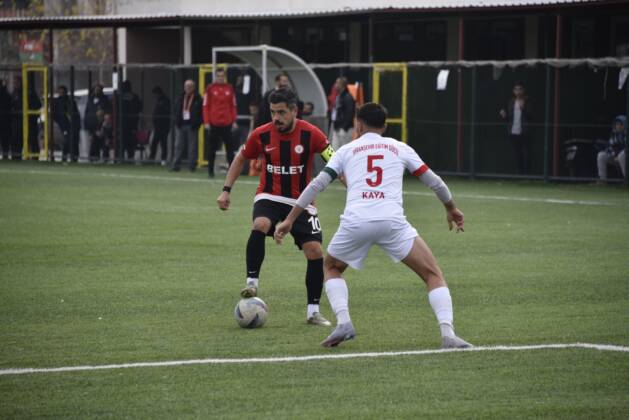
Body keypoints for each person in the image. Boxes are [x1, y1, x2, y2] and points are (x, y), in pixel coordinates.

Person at [274, 102, 472, 349]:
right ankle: (448, 334)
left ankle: (344, 322)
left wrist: (290, 219)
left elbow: (316, 185)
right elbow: (435, 182)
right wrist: (451, 208)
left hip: (356, 222)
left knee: (331, 267)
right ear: (385, 125)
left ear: (358, 124)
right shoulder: (400, 148)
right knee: (432, 274)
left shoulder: (346, 150)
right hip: (392, 222)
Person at [216, 88, 336, 326]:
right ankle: (252, 282)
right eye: (272, 112)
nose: (276, 118)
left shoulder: (312, 134)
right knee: (260, 224)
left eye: (281, 112)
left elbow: (334, 159)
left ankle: (313, 311)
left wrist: (350, 183)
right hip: (269, 195)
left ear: (294, 111)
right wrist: (226, 190)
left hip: (302, 201)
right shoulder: (260, 134)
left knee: (315, 252)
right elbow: (241, 158)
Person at [203, 68, 238, 178]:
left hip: (227, 123)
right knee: (212, 149)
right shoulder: (210, 88)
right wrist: (207, 121)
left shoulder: (230, 88)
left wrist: (234, 121)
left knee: (230, 150)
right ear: (215, 77)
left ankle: (231, 173)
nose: (220, 78)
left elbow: (233, 105)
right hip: (214, 123)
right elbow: (205, 106)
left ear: (225, 76)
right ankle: (210, 172)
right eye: (218, 76)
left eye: (222, 76)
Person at [499, 81, 532, 175]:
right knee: (517, 154)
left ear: (523, 90)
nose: (518, 91)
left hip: (525, 131)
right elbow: (509, 118)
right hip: (513, 131)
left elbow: (531, 117)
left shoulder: (528, 101)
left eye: (520, 89)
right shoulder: (511, 101)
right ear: (513, 91)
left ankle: (527, 175)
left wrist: (523, 109)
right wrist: (504, 116)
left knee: (527, 153)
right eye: (516, 89)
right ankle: (520, 174)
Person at [171, 79, 202, 172]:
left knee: (192, 147)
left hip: (192, 126)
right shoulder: (180, 97)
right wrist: (176, 121)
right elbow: (176, 109)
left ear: (193, 87)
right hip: (181, 125)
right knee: (178, 145)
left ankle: (192, 166)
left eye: (189, 86)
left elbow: (201, 113)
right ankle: (176, 165)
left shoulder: (198, 98)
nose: (187, 88)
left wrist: (197, 123)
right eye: (186, 86)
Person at [51, 85, 80, 162]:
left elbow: (76, 114)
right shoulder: (57, 102)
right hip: (63, 125)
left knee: (74, 141)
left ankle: (74, 157)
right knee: (66, 141)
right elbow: (54, 115)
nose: (61, 93)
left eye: (63, 92)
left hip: (73, 125)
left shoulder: (70, 101)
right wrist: (60, 122)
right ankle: (64, 157)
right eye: (60, 92)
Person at [597, 115, 626, 182]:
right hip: (616, 157)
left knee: (622, 155)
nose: (618, 126)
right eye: (617, 124)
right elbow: (609, 147)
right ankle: (602, 180)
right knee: (601, 155)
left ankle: (627, 180)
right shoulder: (614, 134)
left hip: (625, 158)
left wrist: (618, 155)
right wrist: (613, 154)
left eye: (620, 124)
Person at [330, 77, 355, 151]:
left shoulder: (348, 97)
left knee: (345, 150)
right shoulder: (339, 96)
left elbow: (350, 113)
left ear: (342, 85)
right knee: (334, 149)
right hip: (337, 127)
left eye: (337, 83)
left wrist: (344, 127)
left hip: (344, 129)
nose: (335, 85)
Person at [119, 80, 142, 161]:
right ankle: (129, 157)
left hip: (125, 124)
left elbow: (139, 108)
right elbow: (139, 109)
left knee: (125, 141)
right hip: (131, 124)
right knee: (129, 142)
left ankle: (124, 158)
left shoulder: (121, 97)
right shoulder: (134, 97)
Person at [149, 86, 171, 165]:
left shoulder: (165, 101)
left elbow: (166, 113)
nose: (154, 96)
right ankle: (151, 159)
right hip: (157, 127)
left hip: (163, 126)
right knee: (154, 143)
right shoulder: (159, 101)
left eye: (155, 94)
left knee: (163, 143)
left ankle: (163, 159)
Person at [0, 80, 12, 159]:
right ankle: (5, 155)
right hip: (5, 121)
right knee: (5, 140)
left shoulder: (4, 94)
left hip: (4, 121)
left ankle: (5, 155)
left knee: (4, 140)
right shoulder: (7, 94)